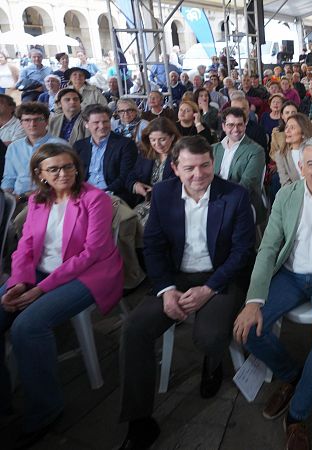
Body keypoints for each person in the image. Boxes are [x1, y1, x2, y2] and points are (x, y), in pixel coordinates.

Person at [118, 136, 256, 450]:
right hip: (175, 278)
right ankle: (139, 422)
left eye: (205, 165)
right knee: (134, 329)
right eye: (189, 167)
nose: (198, 174)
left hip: (219, 276)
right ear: (175, 168)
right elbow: (152, 246)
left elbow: (241, 253)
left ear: (213, 163)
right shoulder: (164, 193)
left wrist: (209, 289)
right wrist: (166, 290)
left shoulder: (234, 195)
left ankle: (213, 360)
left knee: (209, 337)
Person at [232, 137, 312, 450]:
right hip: (290, 275)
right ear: (301, 167)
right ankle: (293, 375)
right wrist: (253, 302)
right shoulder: (286, 195)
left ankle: (296, 414)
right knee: (247, 329)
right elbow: (267, 248)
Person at [1, 143, 122, 448]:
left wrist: (42, 288)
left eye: (68, 167)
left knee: (27, 327)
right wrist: (19, 281)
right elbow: (25, 246)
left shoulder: (95, 199)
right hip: (39, 272)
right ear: (40, 175)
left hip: (87, 274)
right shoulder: (38, 201)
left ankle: (45, 411)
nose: (63, 174)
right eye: (53, 169)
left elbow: (92, 253)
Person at [212, 107, 267, 225]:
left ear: (245, 125)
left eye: (239, 125)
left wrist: (222, 201)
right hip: (214, 200)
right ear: (223, 126)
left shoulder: (256, 151)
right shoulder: (214, 149)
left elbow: (247, 184)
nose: (236, 129)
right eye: (230, 125)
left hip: (243, 202)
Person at [74, 105, 138, 206]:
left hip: (113, 194)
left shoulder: (125, 144)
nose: (102, 126)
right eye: (96, 123)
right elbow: (75, 175)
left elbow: (125, 177)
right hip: (84, 195)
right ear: (86, 124)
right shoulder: (79, 146)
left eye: (105, 121)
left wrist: (100, 194)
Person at [3, 102, 67, 201]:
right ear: (21, 123)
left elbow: (63, 179)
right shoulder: (14, 147)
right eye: (27, 120)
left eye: (38, 119)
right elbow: (9, 178)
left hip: (47, 198)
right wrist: (4, 198)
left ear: (46, 122)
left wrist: (25, 197)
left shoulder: (60, 146)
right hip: (16, 199)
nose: (32, 124)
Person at [126, 117, 178, 225]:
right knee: (125, 225)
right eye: (153, 140)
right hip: (145, 202)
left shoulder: (181, 155)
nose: (157, 144)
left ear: (172, 137)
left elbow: (180, 186)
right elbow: (131, 176)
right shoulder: (146, 153)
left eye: (162, 139)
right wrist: (135, 186)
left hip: (169, 204)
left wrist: (156, 191)